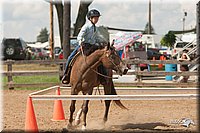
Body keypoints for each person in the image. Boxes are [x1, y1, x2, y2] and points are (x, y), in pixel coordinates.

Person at [61, 9, 104, 84]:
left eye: (97, 18)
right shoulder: (86, 27)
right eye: (95, 18)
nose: (96, 19)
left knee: (100, 59)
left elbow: (96, 38)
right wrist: (81, 43)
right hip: (84, 46)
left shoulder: (95, 28)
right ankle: (66, 75)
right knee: (70, 58)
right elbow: (79, 36)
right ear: (90, 18)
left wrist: (101, 42)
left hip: (92, 46)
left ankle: (102, 76)